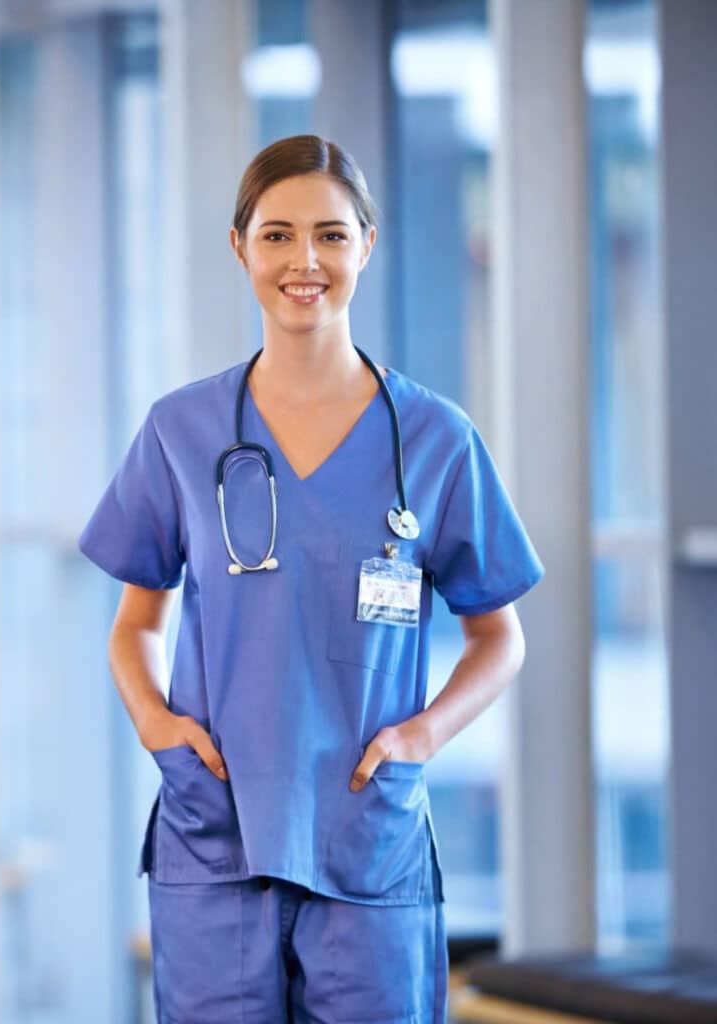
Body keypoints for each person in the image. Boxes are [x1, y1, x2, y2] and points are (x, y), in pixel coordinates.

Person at [78, 133, 545, 1023]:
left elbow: (499, 637)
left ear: (366, 245)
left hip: (365, 831)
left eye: (331, 235)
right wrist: (155, 724)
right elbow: (137, 620)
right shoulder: (181, 430)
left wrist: (422, 737)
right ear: (240, 246)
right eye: (279, 234)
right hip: (215, 827)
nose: (305, 261)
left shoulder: (435, 439)